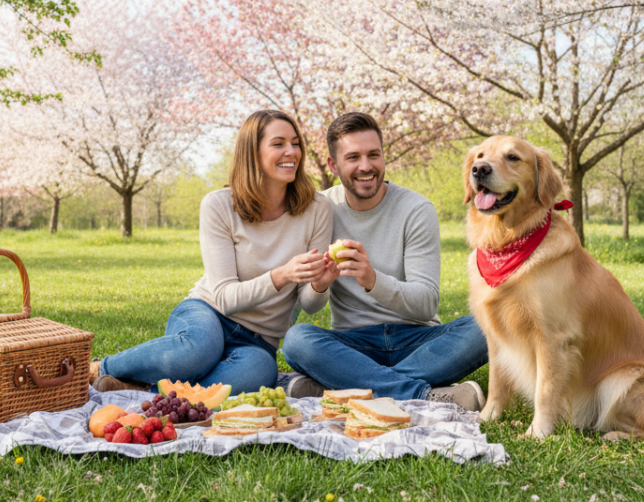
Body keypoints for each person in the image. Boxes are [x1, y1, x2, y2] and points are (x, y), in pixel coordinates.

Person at [90, 110, 335, 394]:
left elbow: (309, 304)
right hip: (208, 314)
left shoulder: (318, 209)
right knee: (197, 352)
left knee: (259, 373)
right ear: (252, 153)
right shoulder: (219, 205)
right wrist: (281, 275)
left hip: (259, 340)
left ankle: (146, 390)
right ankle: (101, 368)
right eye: (278, 144)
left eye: (295, 143)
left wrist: (320, 285)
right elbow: (225, 299)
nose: (291, 152)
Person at [281, 112, 489, 409]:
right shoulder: (320, 210)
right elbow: (309, 306)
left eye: (373, 155)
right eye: (353, 157)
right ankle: (421, 394)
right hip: (353, 345)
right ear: (333, 165)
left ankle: (340, 385)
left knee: (486, 325)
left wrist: (372, 280)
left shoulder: (416, 209)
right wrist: (319, 286)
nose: (366, 166)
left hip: (418, 340)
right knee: (297, 340)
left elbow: (426, 304)